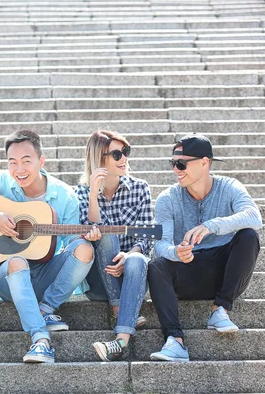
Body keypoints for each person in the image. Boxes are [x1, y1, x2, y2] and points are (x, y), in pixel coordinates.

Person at [0, 130, 95, 364]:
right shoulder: (1, 181)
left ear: (41, 161)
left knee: (84, 248)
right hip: (8, 278)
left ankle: (45, 309)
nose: (19, 169)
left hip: (47, 276)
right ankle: (40, 340)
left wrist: (87, 236)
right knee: (17, 260)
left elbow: (71, 245)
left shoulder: (65, 196)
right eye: (13, 162)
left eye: (26, 161)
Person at [148, 133, 262, 362]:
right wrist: (175, 253)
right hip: (189, 272)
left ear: (204, 162)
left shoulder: (229, 187)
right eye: (173, 163)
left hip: (226, 274)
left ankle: (220, 310)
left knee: (249, 236)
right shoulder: (167, 198)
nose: (176, 170)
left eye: (181, 164)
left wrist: (211, 226)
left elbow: (254, 216)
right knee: (156, 265)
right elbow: (160, 243)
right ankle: (175, 341)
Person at [75, 130, 153, 362]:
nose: (124, 159)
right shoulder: (79, 192)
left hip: (132, 277)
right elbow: (89, 233)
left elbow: (147, 236)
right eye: (117, 154)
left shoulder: (140, 188)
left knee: (138, 259)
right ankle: (122, 310)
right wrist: (92, 195)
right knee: (104, 235)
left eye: (126, 152)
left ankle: (120, 340)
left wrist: (129, 256)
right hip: (99, 280)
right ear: (99, 159)